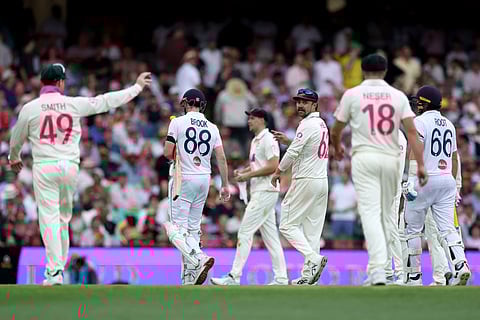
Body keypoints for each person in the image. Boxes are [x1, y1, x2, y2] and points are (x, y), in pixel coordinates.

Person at [8, 63, 152, 285]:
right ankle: (58, 270)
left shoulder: (30, 108)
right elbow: (105, 101)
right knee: (63, 218)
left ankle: (54, 271)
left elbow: (17, 137)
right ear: (60, 82)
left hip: (44, 167)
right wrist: (136, 88)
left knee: (49, 219)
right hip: (69, 167)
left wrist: (14, 157)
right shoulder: (72, 104)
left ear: (43, 83)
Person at [330, 53, 427, 285]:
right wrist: (421, 164)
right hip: (391, 159)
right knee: (386, 215)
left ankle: (378, 271)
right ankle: (388, 269)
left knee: (370, 214)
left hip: (365, 157)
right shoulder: (398, 96)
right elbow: (412, 132)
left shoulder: (352, 94)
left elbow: (336, 130)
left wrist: (337, 147)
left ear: (363, 71)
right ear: (385, 72)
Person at [210, 108, 288, 286]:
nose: (249, 121)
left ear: (262, 120)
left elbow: (273, 166)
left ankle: (234, 276)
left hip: (265, 191)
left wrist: (248, 176)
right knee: (271, 237)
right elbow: (259, 165)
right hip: (261, 191)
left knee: (244, 232)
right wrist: (244, 171)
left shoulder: (268, 139)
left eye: (252, 118)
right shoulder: (255, 140)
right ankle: (282, 278)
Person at [402, 85, 470, 286]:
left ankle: (414, 276)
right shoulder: (449, 124)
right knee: (448, 229)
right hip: (446, 179)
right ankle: (460, 266)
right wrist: (456, 185)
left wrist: (412, 178)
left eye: (419, 102)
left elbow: (415, 149)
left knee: (413, 229)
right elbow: (455, 157)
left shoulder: (419, 121)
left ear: (424, 103)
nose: (416, 105)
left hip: (425, 178)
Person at [163, 88, 230, 285]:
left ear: (185, 103)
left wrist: (176, 154)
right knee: (192, 229)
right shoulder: (213, 127)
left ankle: (199, 258)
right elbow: (222, 158)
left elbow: (167, 152)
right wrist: (225, 185)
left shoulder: (177, 122)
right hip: (204, 179)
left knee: (174, 228)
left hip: (183, 177)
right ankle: (189, 277)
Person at [271, 88, 329, 285]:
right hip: (321, 181)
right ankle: (308, 275)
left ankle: (313, 259)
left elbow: (294, 152)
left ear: (314, 105)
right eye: (298, 101)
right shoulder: (321, 124)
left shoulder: (307, 124)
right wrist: (290, 140)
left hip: (306, 179)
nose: (300, 105)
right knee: (312, 230)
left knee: (286, 224)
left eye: (305, 102)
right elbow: (306, 147)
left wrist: (278, 171)